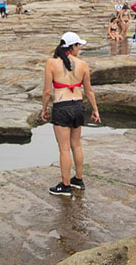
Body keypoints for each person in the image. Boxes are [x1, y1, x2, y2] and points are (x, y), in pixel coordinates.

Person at [42, 32, 101, 196]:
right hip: (78, 106)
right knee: (76, 145)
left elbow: (47, 91)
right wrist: (95, 109)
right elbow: (89, 91)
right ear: (72, 47)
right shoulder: (83, 64)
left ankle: (65, 185)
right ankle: (78, 179)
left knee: (64, 149)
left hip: (62, 106)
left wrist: (44, 109)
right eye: (78, 45)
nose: (80, 48)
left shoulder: (51, 63)